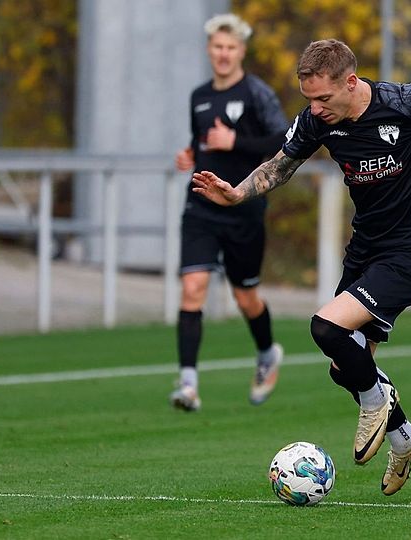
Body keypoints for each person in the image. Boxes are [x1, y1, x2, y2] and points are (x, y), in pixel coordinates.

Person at [190, 39, 411, 495]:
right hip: (366, 252)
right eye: (309, 98)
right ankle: (404, 437)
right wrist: (236, 193)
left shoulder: (405, 101)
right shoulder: (317, 121)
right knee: (343, 366)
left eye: (324, 98)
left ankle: (376, 402)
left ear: (351, 83)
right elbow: (280, 166)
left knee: (326, 328)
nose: (316, 108)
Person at [170, 14, 291, 412]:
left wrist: (234, 140)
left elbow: (283, 139)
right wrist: (190, 153)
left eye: (231, 48)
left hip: (244, 208)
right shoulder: (198, 95)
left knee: (246, 297)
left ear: (241, 51)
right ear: (209, 50)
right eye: (217, 47)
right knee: (193, 288)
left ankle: (266, 354)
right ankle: (188, 384)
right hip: (201, 207)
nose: (223, 54)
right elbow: (200, 140)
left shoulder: (257, 93)